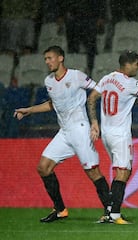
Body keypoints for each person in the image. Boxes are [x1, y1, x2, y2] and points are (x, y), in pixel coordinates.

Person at [13, 46, 111, 223]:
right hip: (64, 132)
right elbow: (53, 104)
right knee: (43, 168)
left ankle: (110, 211)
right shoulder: (49, 81)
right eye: (45, 59)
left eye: (50, 58)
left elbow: (98, 92)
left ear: (61, 58)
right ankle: (60, 210)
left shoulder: (77, 76)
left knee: (93, 171)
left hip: (80, 129)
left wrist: (96, 121)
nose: (47, 62)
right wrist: (29, 110)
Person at [87, 50, 138, 224]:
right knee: (123, 171)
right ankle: (114, 214)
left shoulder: (106, 79)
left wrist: (94, 122)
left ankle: (109, 211)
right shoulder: (129, 82)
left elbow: (91, 99)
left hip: (106, 133)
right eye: (137, 64)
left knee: (119, 171)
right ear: (128, 64)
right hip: (120, 134)